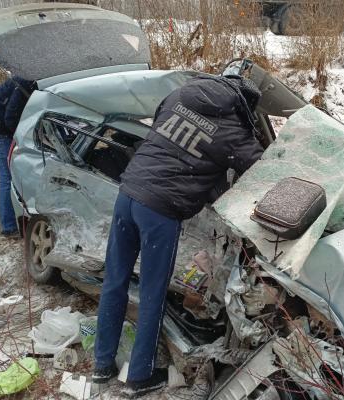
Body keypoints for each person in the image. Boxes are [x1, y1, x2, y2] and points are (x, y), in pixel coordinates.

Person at [93, 75, 264, 398]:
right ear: (242, 105)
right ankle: (140, 375)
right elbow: (261, 168)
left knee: (114, 280)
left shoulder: (179, 97)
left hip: (128, 193)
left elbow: (169, 139)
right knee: (152, 292)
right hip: (160, 210)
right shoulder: (232, 130)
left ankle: (101, 364)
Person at [0, 77, 35, 237]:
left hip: (4, 125)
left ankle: (21, 219)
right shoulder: (26, 82)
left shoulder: (32, 80)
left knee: (17, 174)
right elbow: (11, 117)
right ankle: (9, 227)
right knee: (8, 176)